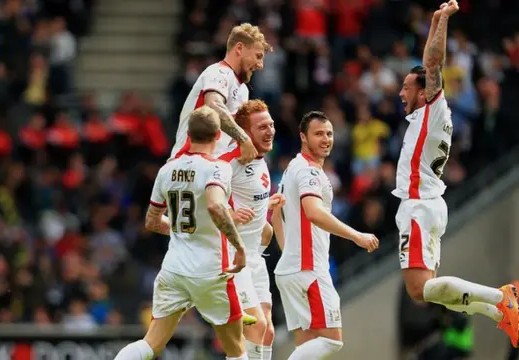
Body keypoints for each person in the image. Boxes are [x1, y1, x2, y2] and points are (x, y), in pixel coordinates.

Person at [393, 0, 519, 349]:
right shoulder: (429, 114)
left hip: (420, 206)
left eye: (406, 88)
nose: (400, 93)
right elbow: (427, 62)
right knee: (427, 291)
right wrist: (434, 21)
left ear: (423, 93)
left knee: (420, 290)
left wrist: (445, 19)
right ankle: (498, 312)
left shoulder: (434, 109)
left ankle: (500, 299)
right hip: (428, 203)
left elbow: (433, 63)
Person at [114, 106, 250, 360]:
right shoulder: (218, 168)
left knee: (150, 344)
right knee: (237, 349)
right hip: (210, 271)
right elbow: (215, 205)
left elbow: (152, 221)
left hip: (174, 269)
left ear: (189, 134)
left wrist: (181, 230)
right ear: (218, 135)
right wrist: (239, 248)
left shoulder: (167, 170)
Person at [271, 111, 379, 360]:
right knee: (332, 341)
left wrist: (288, 252)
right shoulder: (309, 171)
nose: (326, 139)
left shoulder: (291, 168)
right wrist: (356, 236)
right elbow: (314, 213)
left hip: (291, 269)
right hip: (309, 270)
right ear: (303, 137)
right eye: (318, 133)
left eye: (329, 134)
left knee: (307, 346)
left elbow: (277, 213)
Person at [217, 100, 286, 360]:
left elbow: (247, 199)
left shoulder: (260, 158)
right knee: (254, 328)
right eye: (261, 127)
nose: (269, 131)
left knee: (267, 331)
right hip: (234, 257)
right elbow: (203, 205)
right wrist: (229, 215)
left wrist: (266, 207)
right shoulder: (227, 163)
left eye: (271, 125)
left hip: (255, 256)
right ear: (244, 132)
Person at [170, 23, 272, 163]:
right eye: (258, 56)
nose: (260, 65)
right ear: (239, 48)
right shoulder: (219, 72)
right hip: (188, 162)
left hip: (212, 167)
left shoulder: (243, 90)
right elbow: (213, 105)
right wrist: (243, 138)